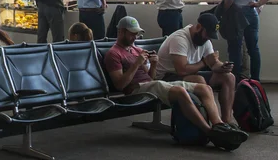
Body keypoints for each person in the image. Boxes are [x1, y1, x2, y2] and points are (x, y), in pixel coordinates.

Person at [103, 16, 247, 149]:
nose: (135, 37)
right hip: (135, 89)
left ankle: (219, 126)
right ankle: (209, 132)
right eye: (132, 34)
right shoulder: (113, 54)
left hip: (151, 85)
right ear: (121, 32)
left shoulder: (137, 50)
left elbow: (151, 78)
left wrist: (153, 64)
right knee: (180, 91)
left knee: (205, 88)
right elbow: (120, 85)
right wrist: (136, 64)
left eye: (137, 34)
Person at [155, 13, 236, 124]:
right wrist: (203, 62)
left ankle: (227, 122)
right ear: (198, 27)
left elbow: (213, 63)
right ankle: (211, 123)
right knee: (198, 80)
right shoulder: (179, 39)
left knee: (229, 77)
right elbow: (181, 70)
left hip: (188, 74)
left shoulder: (204, 40)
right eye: (207, 34)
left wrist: (222, 67)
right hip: (167, 78)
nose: (208, 38)